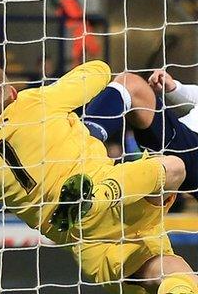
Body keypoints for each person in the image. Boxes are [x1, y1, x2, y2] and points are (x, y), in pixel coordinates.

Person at [0, 59, 198, 294]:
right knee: (174, 168)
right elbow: (99, 70)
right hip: (117, 196)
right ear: (12, 91)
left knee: (174, 273)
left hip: (89, 243)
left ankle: (92, 196)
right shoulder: (38, 101)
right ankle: (95, 195)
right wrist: (84, 121)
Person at [83, 68, 198, 201]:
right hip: (185, 138)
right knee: (131, 83)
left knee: (172, 168)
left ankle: (100, 198)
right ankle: (77, 148)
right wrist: (175, 88)